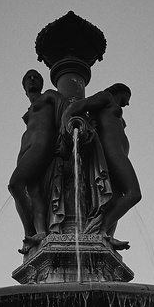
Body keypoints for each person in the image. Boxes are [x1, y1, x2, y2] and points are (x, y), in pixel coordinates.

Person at [61, 84, 140, 248]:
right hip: (112, 151)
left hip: (118, 152)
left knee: (115, 197)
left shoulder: (111, 105)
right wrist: (66, 124)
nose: (128, 103)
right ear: (122, 91)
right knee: (134, 193)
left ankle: (107, 234)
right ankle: (101, 230)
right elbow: (76, 107)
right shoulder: (106, 97)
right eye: (127, 97)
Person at [8, 70, 64, 251]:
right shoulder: (27, 114)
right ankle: (39, 232)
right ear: (24, 87)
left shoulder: (48, 96)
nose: (32, 79)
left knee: (15, 184)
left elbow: (65, 108)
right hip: (26, 148)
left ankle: (29, 232)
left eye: (36, 77)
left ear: (42, 82)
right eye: (28, 78)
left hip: (42, 143)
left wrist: (66, 134)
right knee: (32, 190)